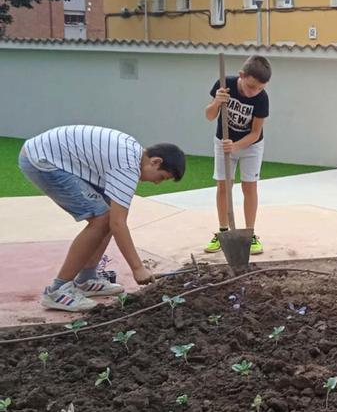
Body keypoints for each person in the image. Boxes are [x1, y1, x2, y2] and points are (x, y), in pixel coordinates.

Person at [19, 125, 185, 312]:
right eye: (161, 177)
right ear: (155, 161)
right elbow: (118, 223)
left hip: (49, 154)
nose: (156, 182)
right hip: (42, 161)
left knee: (106, 214)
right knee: (102, 219)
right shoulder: (128, 167)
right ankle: (57, 291)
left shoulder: (131, 152)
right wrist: (137, 268)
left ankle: (87, 279)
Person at [203, 55, 272, 256]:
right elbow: (209, 115)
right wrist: (217, 102)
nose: (254, 92)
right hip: (223, 141)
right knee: (223, 185)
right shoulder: (225, 85)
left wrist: (235, 146)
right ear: (242, 75)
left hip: (250, 146)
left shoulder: (261, 98)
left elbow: (255, 133)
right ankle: (223, 232)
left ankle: (250, 234)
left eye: (259, 88)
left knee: (249, 187)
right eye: (251, 87)